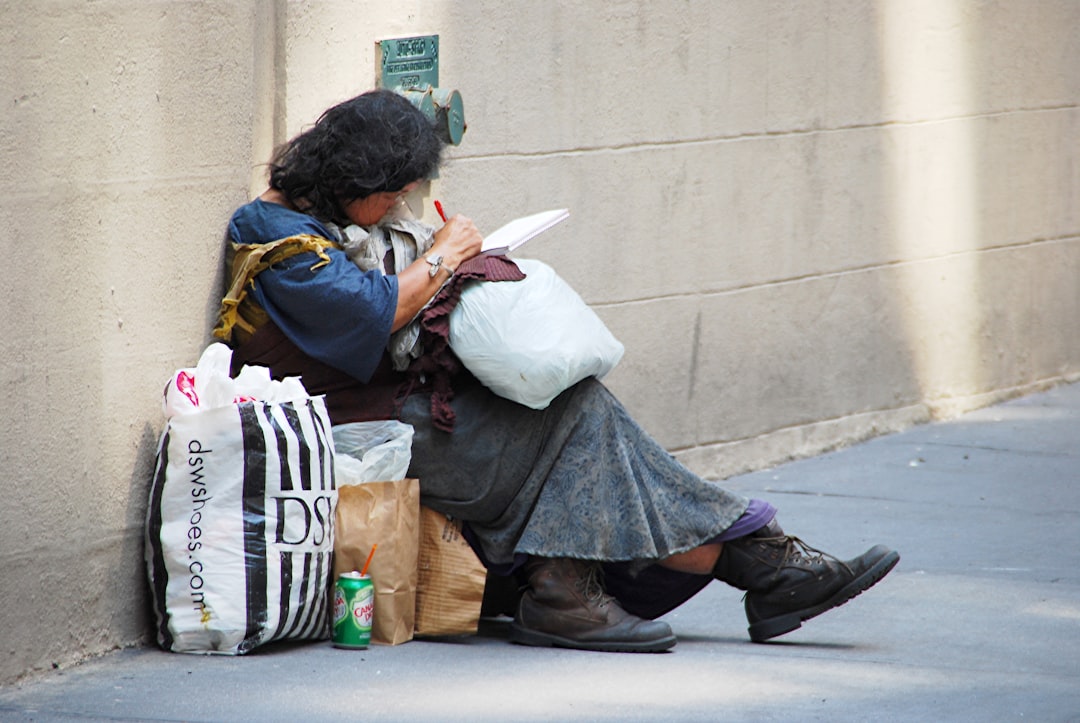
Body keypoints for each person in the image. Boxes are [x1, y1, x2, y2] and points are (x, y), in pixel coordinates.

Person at [214, 89, 899, 653]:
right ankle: (750, 560)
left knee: (577, 409)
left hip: (401, 407)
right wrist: (446, 257)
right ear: (351, 181)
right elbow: (366, 314)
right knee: (578, 417)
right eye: (390, 193)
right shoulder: (270, 231)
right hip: (357, 433)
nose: (398, 206)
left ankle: (586, 587)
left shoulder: (331, 221)